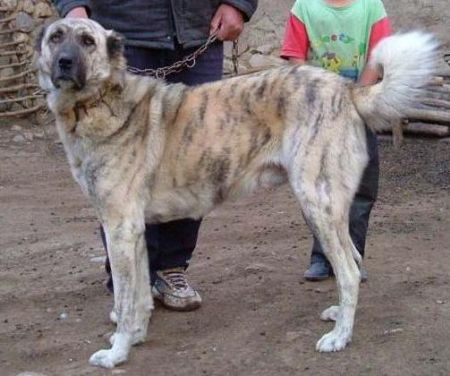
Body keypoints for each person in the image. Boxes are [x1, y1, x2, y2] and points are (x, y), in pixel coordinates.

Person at [52, 0, 258, 310]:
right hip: (121, 35)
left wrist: (238, 4)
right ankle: (133, 279)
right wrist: (74, 6)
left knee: (195, 160)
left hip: (198, 34)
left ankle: (172, 267)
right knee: (119, 173)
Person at [281, 0, 392, 281]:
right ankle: (323, 255)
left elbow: (377, 58)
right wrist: (325, 100)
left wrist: (355, 98)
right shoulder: (304, 8)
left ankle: (352, 257)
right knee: (319, 187)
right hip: (318, 115)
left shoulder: (371, 7)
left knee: (361, 188)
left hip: (360, 111)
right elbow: (296, 59)